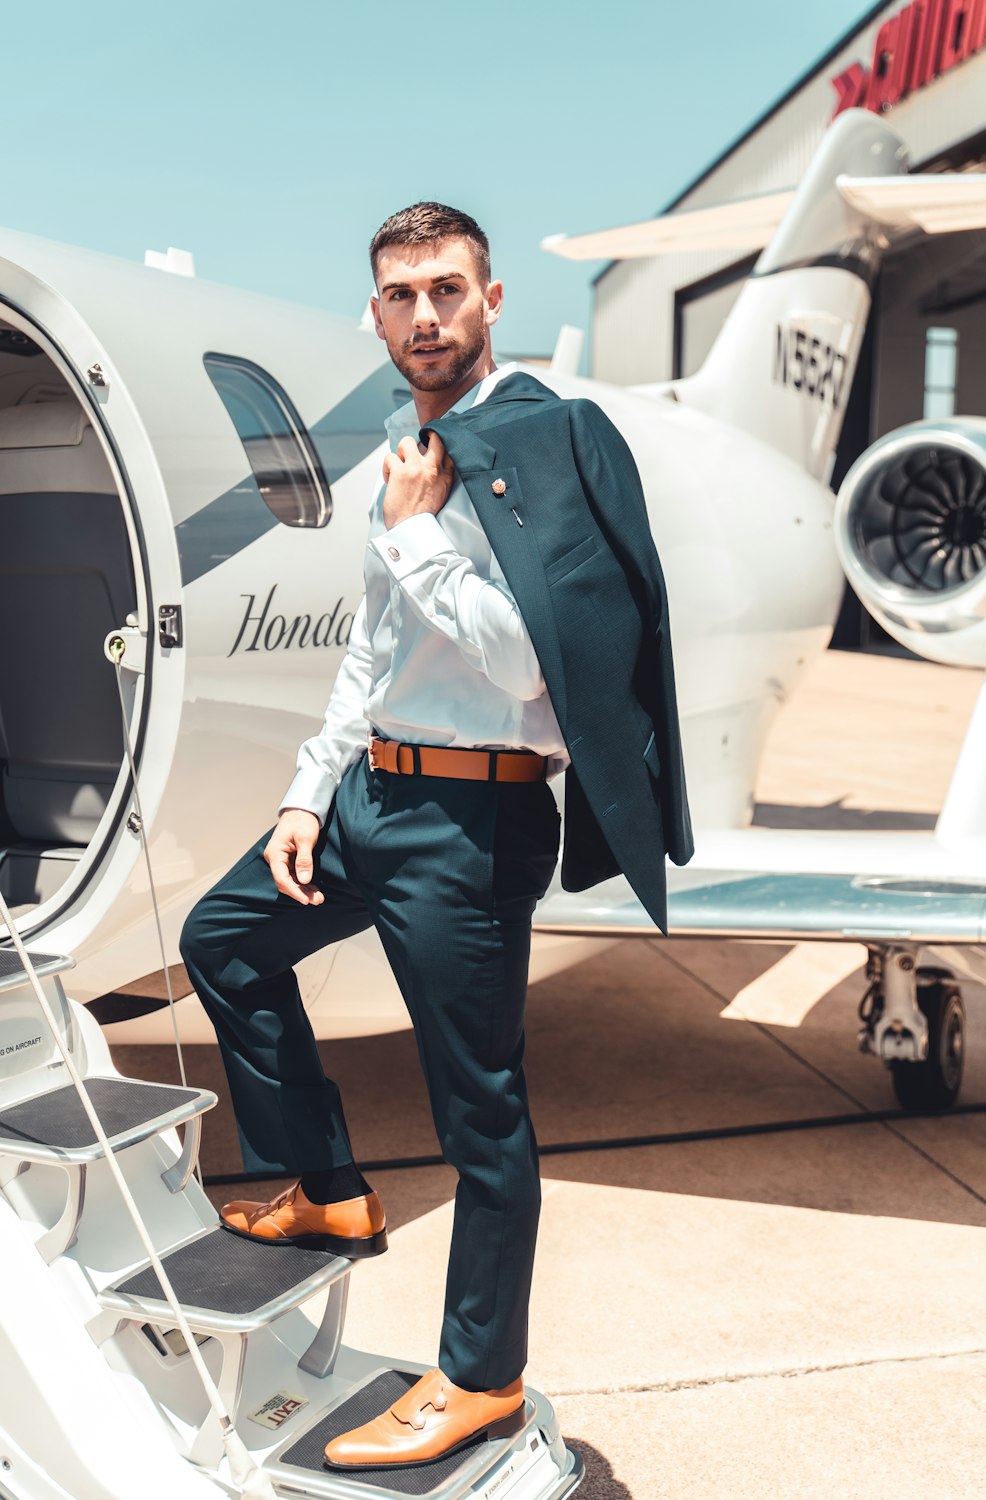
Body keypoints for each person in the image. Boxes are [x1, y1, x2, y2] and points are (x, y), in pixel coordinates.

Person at [180, 201, 692, 1471]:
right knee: (224, 940)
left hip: (474, 815)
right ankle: (329, 1189)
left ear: (493, 300)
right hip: (372, 796)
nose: (424, 315)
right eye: (401, 294)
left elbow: (542, 670)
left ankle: (480, 1379)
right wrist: (308, 793)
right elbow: (372, 649)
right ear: (375, 310)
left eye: (446, 290)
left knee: (481, 1117)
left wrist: (416, 534)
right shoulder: (411, 450)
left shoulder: (546, 441)